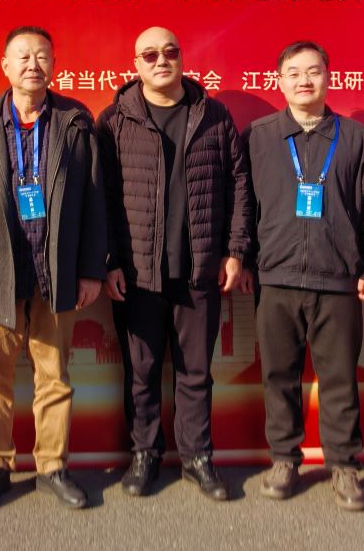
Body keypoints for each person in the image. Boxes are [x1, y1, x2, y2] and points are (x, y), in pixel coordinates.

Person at [0, 26, 105, 511]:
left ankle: (52, 465)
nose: (33, 64)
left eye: (42, 56)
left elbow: (94, 201)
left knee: (54, 374)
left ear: (54, 64)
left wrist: (90, 270)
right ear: (5, 66)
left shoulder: (75, 121)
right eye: (23, 56)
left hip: (55, 270)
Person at [97, 27, 251, 501]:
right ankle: (144, 454)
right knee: (140, 372)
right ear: (136, 64)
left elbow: (238, 185)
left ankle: (197, 457)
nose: (161, 60)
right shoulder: (115, 120)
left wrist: (235, 251)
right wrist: (109, 261)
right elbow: (101, 197)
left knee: (196, 372)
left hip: (199, 268)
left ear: (182, 57)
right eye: (150, 54)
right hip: (137, 273)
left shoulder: (213, 115)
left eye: (170, 52)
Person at [244, 41, 364, 510]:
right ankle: (284, 459)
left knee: (339, 379)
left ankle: (344, 465)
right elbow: (241, 206)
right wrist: (243, 260)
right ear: (279, 81)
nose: (304, 80)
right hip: (275, 278)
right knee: (278, 377)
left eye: (313, 71)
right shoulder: (259, 137)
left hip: (338, 279)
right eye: (293, 72)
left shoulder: (356, 139)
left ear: (329, 77)